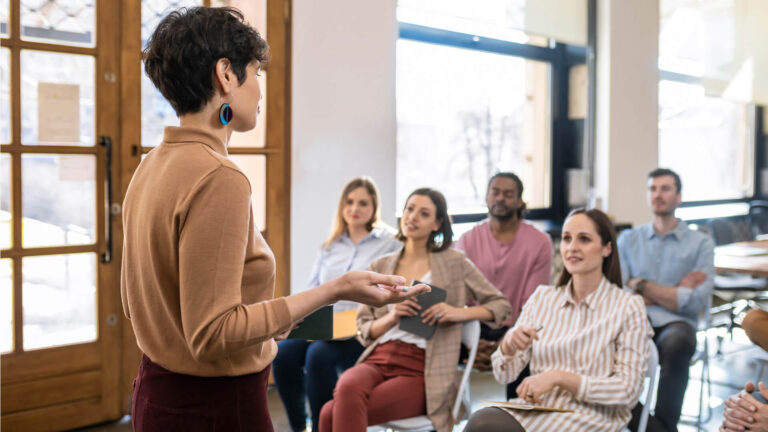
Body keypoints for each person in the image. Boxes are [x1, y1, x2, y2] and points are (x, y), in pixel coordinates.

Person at [121, 8, 428, 432]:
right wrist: (337, 288)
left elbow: (142, 303)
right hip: (215, 408)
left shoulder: (151, 165)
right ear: (226, 75)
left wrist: (276, 324)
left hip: (157, 394)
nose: (261, 91)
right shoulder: (220, 177)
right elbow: (213, 333)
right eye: (256, 72)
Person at [318, 188, 512, 432]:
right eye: (410, 209)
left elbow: (501, 306)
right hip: (379, 357)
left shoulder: (455, 263)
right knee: (346, 386)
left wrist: (457, 312)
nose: (412, 217)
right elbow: (363, 328)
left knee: (329, 414)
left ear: (437, 223)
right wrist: (392, 316)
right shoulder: (381, 265)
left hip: (423, 369)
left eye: (423, 213)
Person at [464, 208, 653, 432]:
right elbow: (504, 374)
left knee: (485, 425)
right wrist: (508, 345)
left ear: (607, 248)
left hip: (592, 418)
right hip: (536, 411)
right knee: (482, 421)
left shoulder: (628, 306)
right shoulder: (543, 298)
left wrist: (559, 378)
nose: (572, 247)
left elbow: (628, 390)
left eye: (584, 239)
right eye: (566, 239)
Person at [272, 177, 402, 432]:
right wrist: (296, 320)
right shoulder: (330, 246)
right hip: (324, 324)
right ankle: (299, 427)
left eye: (363, 203)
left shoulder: (391, 243)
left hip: (359, 330)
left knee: (317, 356)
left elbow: (394, 287)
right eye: (349, 202)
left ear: (374, 207)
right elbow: (313, 290)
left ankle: (325, 428)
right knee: (283, 353)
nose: (355, 208)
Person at [619, 168, 715, 432]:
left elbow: (694, 302)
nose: (657, 195)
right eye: (652, 189)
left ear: (679, 196)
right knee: (600, 347)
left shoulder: (700, 244)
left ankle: (664, 426)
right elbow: (620, 296)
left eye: (665, 188)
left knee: (677, 343)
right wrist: (675, 291)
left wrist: (641, 285)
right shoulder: (628, 240)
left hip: (677, 325)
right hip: (634, 322)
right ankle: (657, 430)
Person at [456, 172, 552, 397]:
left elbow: (533, 304)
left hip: (518, 327)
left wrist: (505, 342)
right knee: (435, 342)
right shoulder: (468, 239)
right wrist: (472, 341)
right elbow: (459, 298)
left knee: (528, 350)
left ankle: (519, 417)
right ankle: (445, 417)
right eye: (495, 192)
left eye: (508, 194)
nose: (500, 198)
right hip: (473, 325)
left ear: (519, 201)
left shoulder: (540, 242)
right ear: (487, 197)